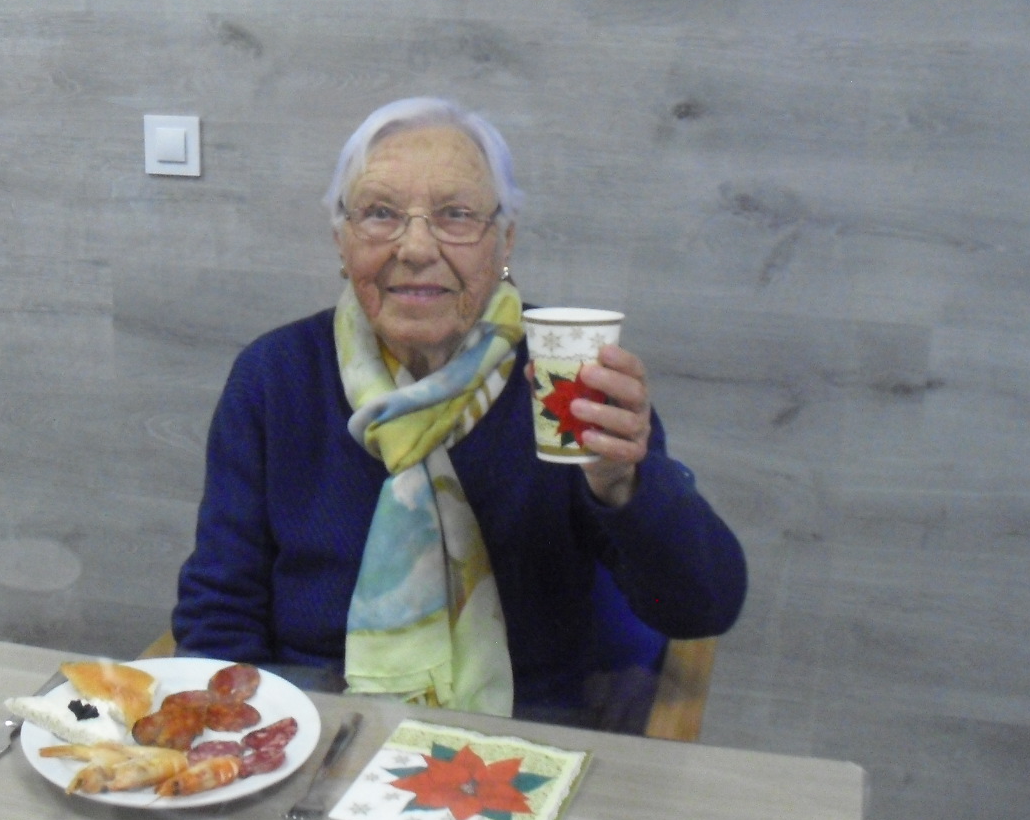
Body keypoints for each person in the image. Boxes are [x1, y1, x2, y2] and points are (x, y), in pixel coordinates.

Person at [172, 96, 746, 722]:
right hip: (313, 720)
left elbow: (702, 607)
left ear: (505, 240)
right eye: (381, 213)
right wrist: (254, 745)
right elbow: (219, 613)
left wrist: (625, 486)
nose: (416, 247)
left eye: (456, 215)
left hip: (523, 729)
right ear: (341, 241)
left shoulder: (568, 378)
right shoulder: (276, 376)